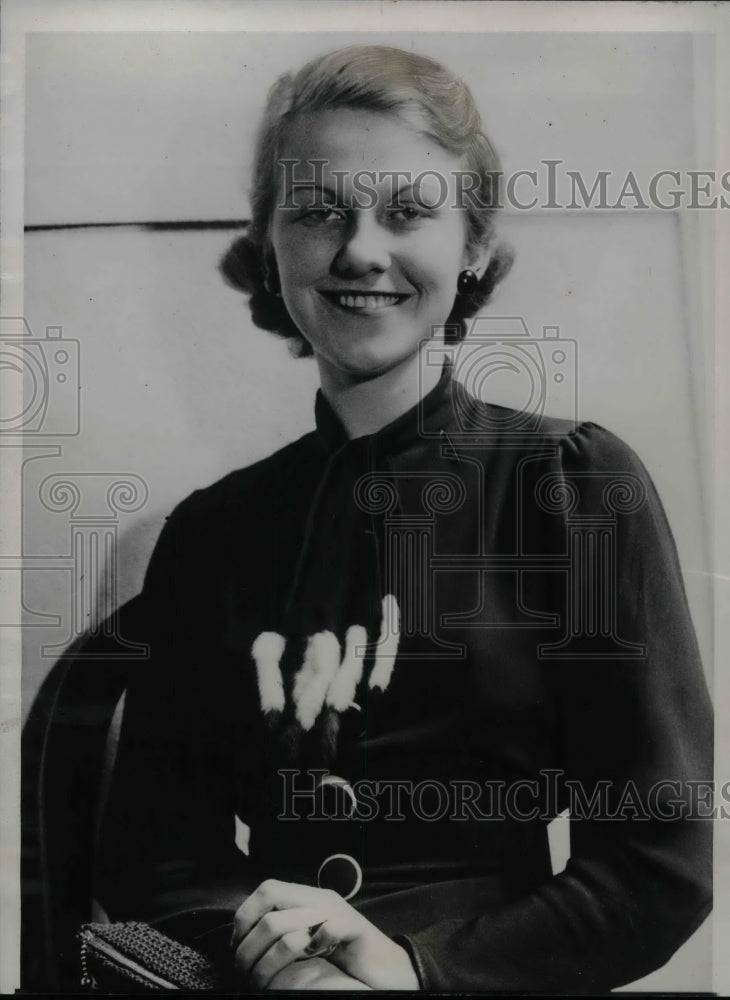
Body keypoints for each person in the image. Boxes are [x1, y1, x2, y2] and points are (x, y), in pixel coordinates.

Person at [95, 45, 713, 992]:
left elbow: (659, 866)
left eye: (409, 212)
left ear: (471, 246)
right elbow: (157, 855)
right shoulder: (212, 535)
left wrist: (416, 970)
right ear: (269, 243)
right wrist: (290, 968)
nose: (361, 250)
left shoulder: (572, 486)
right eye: (318, 210)